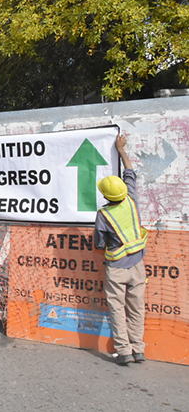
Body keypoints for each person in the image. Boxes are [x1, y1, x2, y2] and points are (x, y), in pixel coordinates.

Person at [94, 134, 148, 366]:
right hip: (137, 265)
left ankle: (124, 352)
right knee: (137, 309)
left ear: (106, 196)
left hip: (116, 269)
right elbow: (130, 172)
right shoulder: (132, 200)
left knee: (117, 309)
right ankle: (139, 350)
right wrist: (121, 149)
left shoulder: (103, 215)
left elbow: (98, 243)